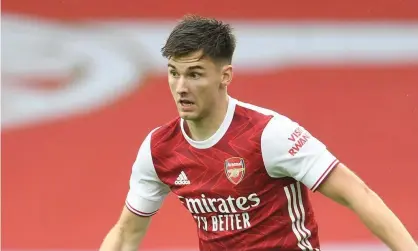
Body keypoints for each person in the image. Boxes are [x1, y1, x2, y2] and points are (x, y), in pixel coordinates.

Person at [99, 15, 417, 251]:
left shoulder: (269, 135)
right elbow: (127, 233)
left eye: (195, 74)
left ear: (225, 76)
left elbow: (356, 193)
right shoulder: (160, 148)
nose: (181, 87)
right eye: (174, 73)